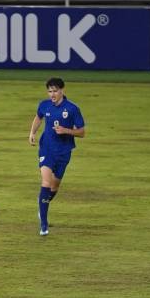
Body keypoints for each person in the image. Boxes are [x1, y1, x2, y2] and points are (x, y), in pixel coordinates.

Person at [28, 77, 86, 236]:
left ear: (62, 90)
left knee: (54, 187)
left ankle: (42, 205)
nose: (52, 94)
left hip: (64, 151)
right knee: (46, 182)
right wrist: (32, 133)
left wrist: (66, 131)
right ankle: (44, 225)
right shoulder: (44, 105)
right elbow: (38, 117)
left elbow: (82, 132)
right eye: (50, 91)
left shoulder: (72, 109)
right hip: (46, 149)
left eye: (55, 91)